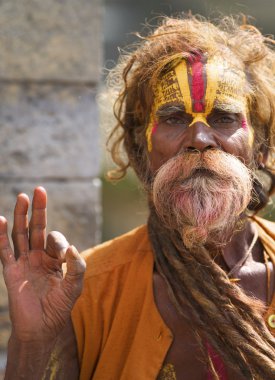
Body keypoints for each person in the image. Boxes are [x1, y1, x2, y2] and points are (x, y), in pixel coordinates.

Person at [0, 14, 275, 380]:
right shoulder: (87, 289)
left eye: (224, 118)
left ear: (261, 146)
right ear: (141, 147)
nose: (199, 138)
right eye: (175, 118)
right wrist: (32, 342)